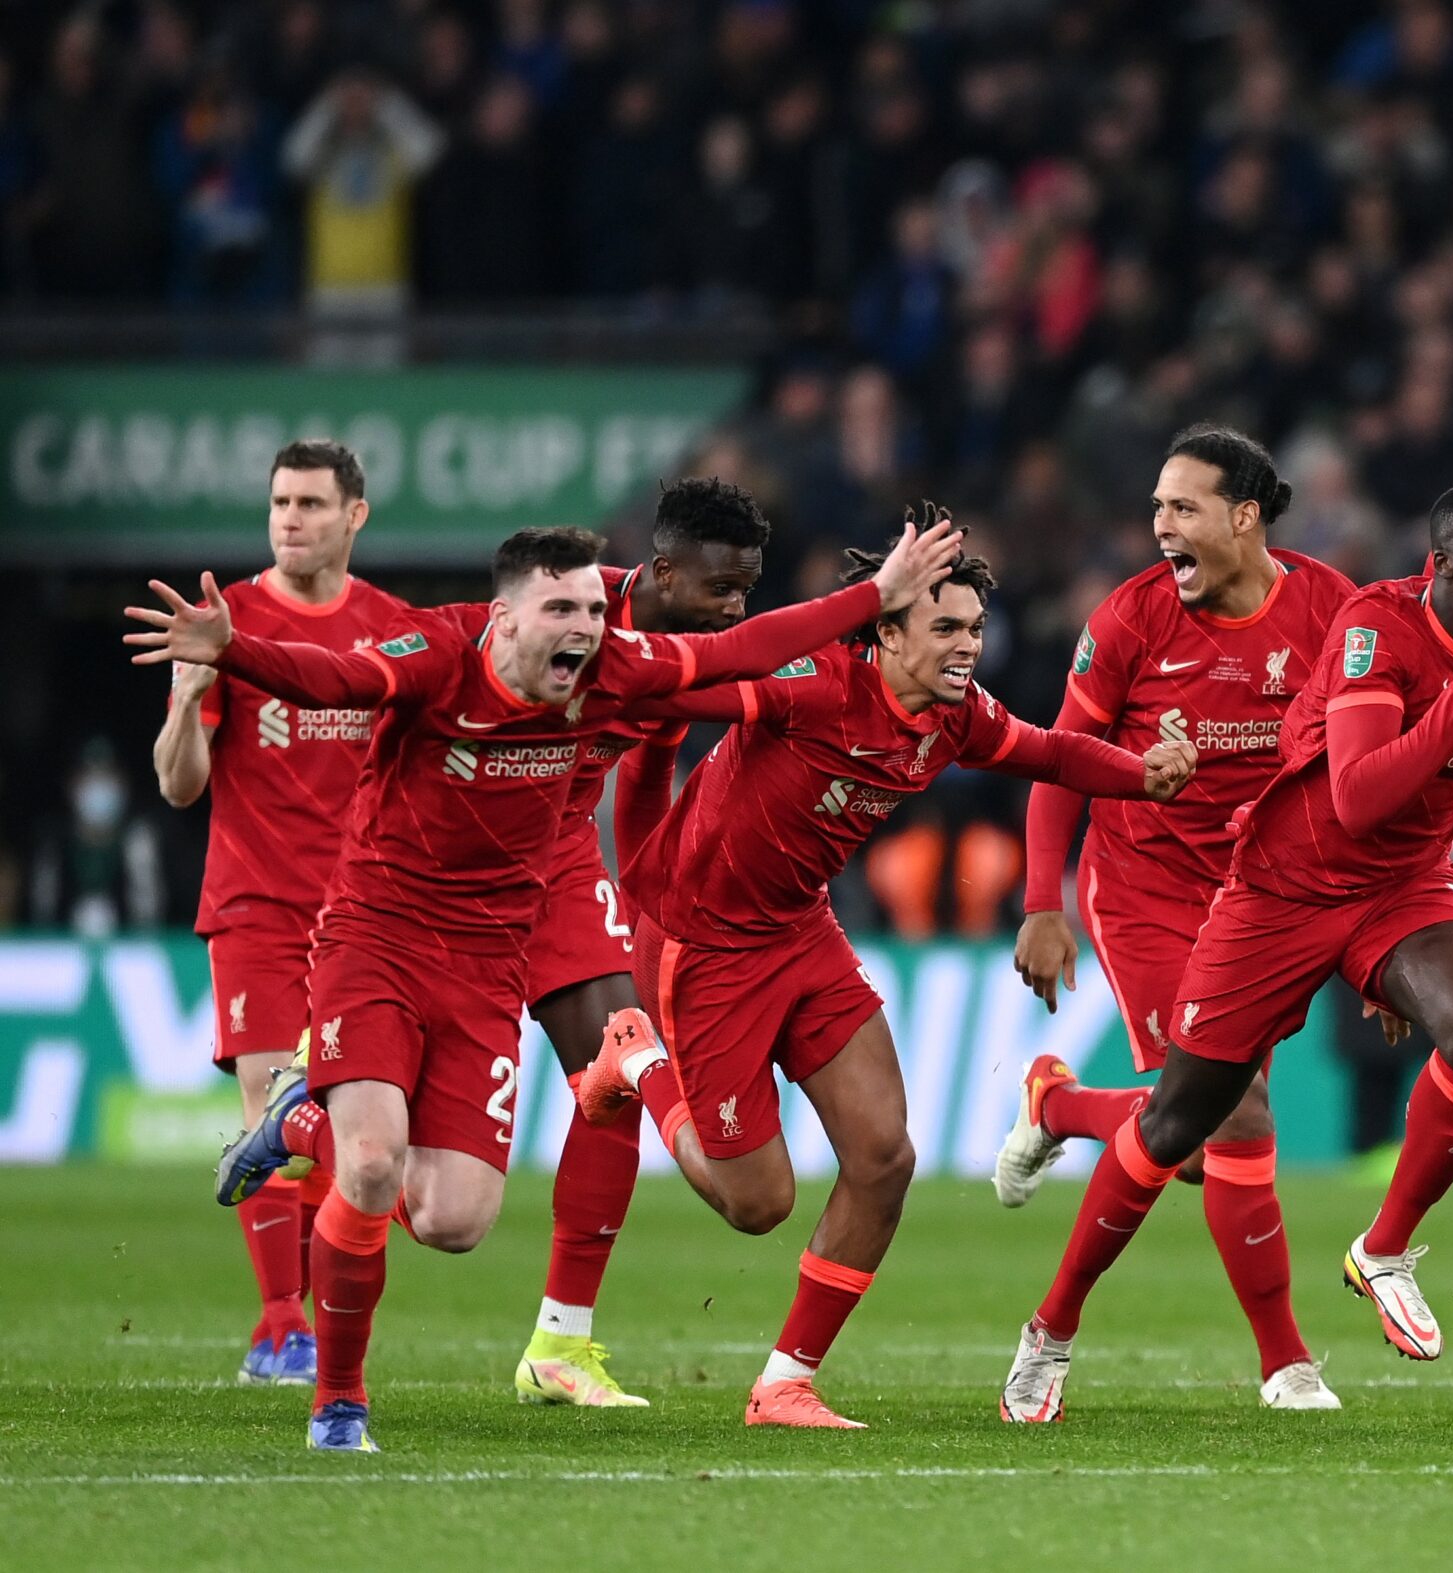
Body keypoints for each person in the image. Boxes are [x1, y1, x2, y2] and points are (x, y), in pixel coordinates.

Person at [126, 514, 965, 1453]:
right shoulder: (454, 648)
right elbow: (342, 677)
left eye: (592, 611)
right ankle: (339, 1398)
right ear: (514, 616)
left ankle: (547, 1325)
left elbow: (730, 663)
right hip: (400, 917)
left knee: (466, 1207)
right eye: (722, 585)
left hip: (524, 890)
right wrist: (236, 650)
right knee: (376, 1165)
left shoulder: (626, 661)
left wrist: (874, 594)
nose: (733, 604)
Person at [581, 525, 1198, 1431]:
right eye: (945, 627)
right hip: (700, 944)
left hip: (802, 934)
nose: (967, 646)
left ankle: (786, 1381)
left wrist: (1143, 773)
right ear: (888, 634)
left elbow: (1049, 752)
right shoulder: (811, 684)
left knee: (884, 1156)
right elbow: (690, 673)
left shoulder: (955, 717)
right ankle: (635, 1060)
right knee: (759, 1203)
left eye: (976, 627)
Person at [1000, 480, 1453, 1423]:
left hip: (1401, 885)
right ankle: (1051, 1326)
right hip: (1280, 886)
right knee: (1183, 1127)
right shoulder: (1375, 631)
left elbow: (1438, 792)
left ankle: (1381, 1251)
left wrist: (1397, 960)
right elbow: (1355, 797)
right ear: (1440, 560)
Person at [998, 425, 1355, 1411]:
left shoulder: (1332, 611)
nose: (1161, 526)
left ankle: (1058, 1105)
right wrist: (1042, 902)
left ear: (1244, 517)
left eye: (1183, 507)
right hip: (1146, 891)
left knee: (1198, 1142)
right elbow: (1060, 757)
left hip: (1265, 901)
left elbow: (1364, 768)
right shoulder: (1129, 622)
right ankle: (1283, 1362)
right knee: (1225, 1112)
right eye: (1156, 507)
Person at [151, 438, 411, 1386]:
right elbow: (181, 787)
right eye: (278, 503)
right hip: (257, 902)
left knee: (345, 1137)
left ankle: (301, 1311)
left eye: (309, 502)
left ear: (355, 515)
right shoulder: (233, 623)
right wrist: (186, 702)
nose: (290, 519)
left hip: (366, 919)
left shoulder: (391, 628)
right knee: (272, 1101)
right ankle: (279, 1327)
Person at [511, 478, 771, 1409]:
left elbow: (652, 758)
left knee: (612, 1076)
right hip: (459, 861)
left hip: (564, 864)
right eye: (724, 588)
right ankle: (307, 1108)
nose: (738, 607)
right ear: (661, 571)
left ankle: (559, 1345)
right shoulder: (565, 615)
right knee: (433, 1199)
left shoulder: (682, 659)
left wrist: (645, 885)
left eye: (748, 589)